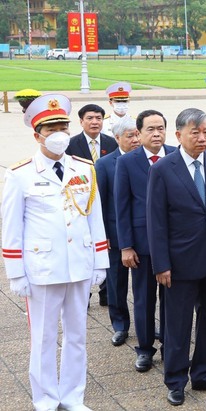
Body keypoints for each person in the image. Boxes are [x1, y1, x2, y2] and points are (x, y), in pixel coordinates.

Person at [2, 94, 109, 411]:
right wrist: (16, 272)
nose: (59, 133)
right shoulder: (20, 174)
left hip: (79, 264)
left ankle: (73, 396)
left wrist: (100, 262)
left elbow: (95, 218)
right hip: (42, 268)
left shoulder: (85, 169)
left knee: (77, 336)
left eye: (63, 125)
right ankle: (46, 398)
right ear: (37, 135)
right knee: (44, 338)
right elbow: (12, 227)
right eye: (51, 128)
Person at [147, 108, 206, 406]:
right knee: (177, 325)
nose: (202, 139)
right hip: (179, 262)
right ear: (179, 136)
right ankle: (176, 380)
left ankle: (204, 374)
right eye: (195, 133)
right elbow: (156, 221)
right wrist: (161, 264)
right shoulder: (163, 169)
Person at [115, 110, 176, 372]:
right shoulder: (127, 162)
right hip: (142, 244)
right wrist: (126, 245)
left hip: (175, 242)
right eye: (150, 129)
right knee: (143, 299)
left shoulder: (176, 154)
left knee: (173, 299)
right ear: (138, 133)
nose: (156, 133)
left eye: (160, 128)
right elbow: (122, 206)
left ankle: (171, 347)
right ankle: (144, 348)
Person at [95, 116, 140, 347]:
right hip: (114, 234)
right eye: (130, 136)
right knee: (116, 283)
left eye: (136, 134)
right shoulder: (104, 164)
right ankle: (120, 325)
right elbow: (100, 204)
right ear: (117, 138)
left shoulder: (147, 160)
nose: (135, 140)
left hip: (142, 232)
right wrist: (104, 237)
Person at [67, 103, 118, 307]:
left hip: (106, 202)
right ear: (81, 121)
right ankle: (84, 294)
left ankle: (106, 292)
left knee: (105, 246)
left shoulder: (111, 142)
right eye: (90, 118)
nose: (95, 122)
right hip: (81, 204)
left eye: (98, 118)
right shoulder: (71, 144)